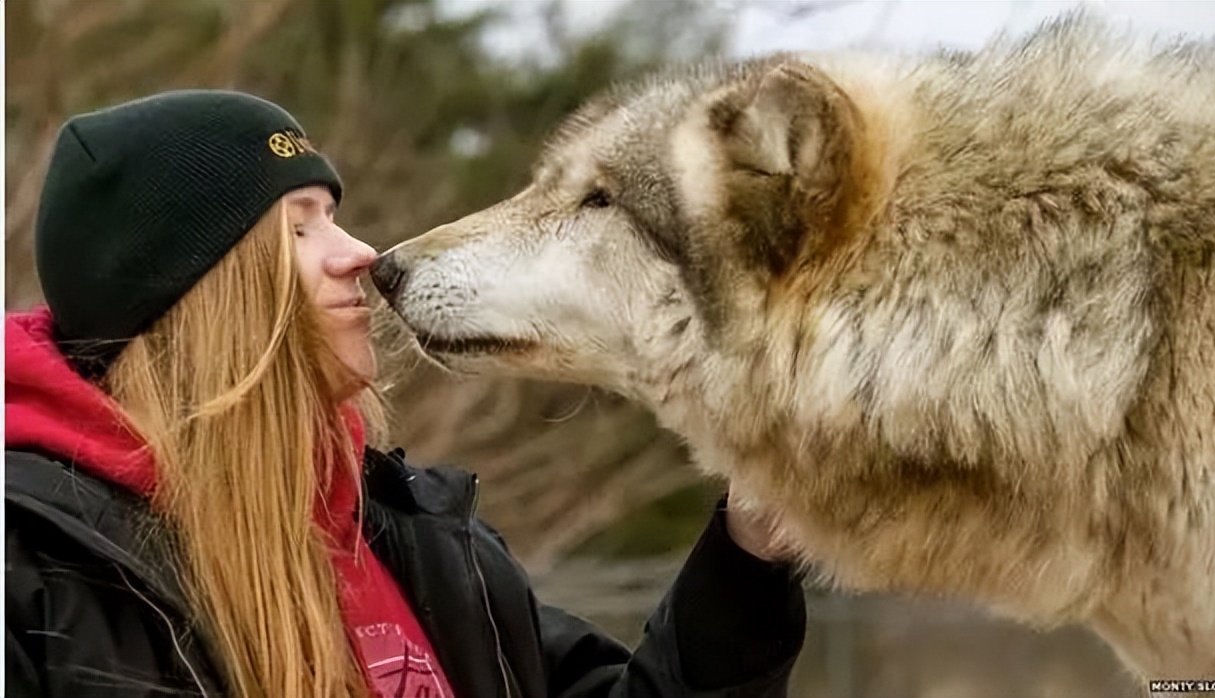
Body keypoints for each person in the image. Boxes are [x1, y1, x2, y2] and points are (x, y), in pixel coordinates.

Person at [4, 90, 806, 698]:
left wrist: (748, 551)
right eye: (298, 227)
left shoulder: (420, 542)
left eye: (336, 217)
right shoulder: (30, 574)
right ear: (188, 290)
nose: (361, 253)